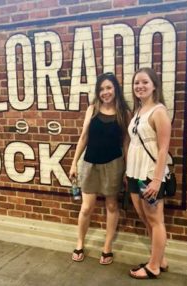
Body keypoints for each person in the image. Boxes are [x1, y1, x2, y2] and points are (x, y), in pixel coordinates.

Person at [69, 72, 130, 265]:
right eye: (102, 88)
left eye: (109, 88)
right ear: (98, 91)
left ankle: (107, 247)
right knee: (86, 207)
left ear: (115, 89)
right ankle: (80, 242)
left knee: (112, 206)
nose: (105, 92)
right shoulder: (92, 109)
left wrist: (127, 169)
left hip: (114, 164)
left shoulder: (124, 112)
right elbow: (84, 137)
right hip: (90, 163)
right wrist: (73, 162)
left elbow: (126, 143)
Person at [126, 67, 171, 279]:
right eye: (137, 83)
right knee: (145, 217)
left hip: (150, 173)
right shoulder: (138, 111)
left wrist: (156, 180)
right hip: (134, 172)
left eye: (145, 82)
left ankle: (153, 267)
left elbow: (163, 148)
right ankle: (159, 259)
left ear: (154, 86)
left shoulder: (158, 111)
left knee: (155, 220)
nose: (140, 86)